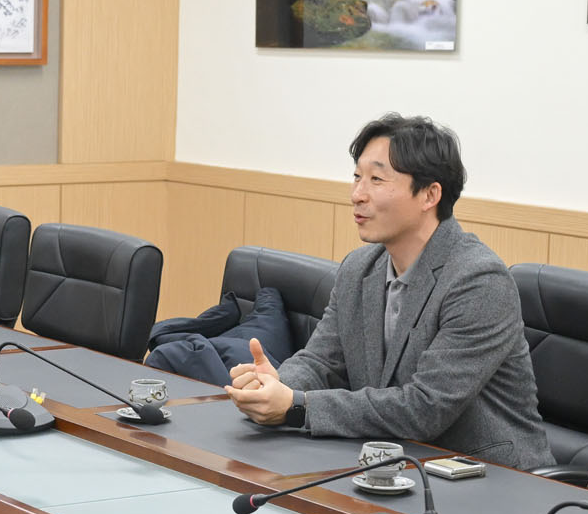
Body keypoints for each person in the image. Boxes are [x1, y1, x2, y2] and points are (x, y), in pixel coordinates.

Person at [228, 114, 553, 469]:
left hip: (489, 476)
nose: (357, 195)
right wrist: (275, 384)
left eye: (377, 179)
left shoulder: (479, 281)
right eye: (357, 177)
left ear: (429, 194)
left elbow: (424, 408)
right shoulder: (359, 268)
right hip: (395, 465)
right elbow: (322, 361)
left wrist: (296, 406)